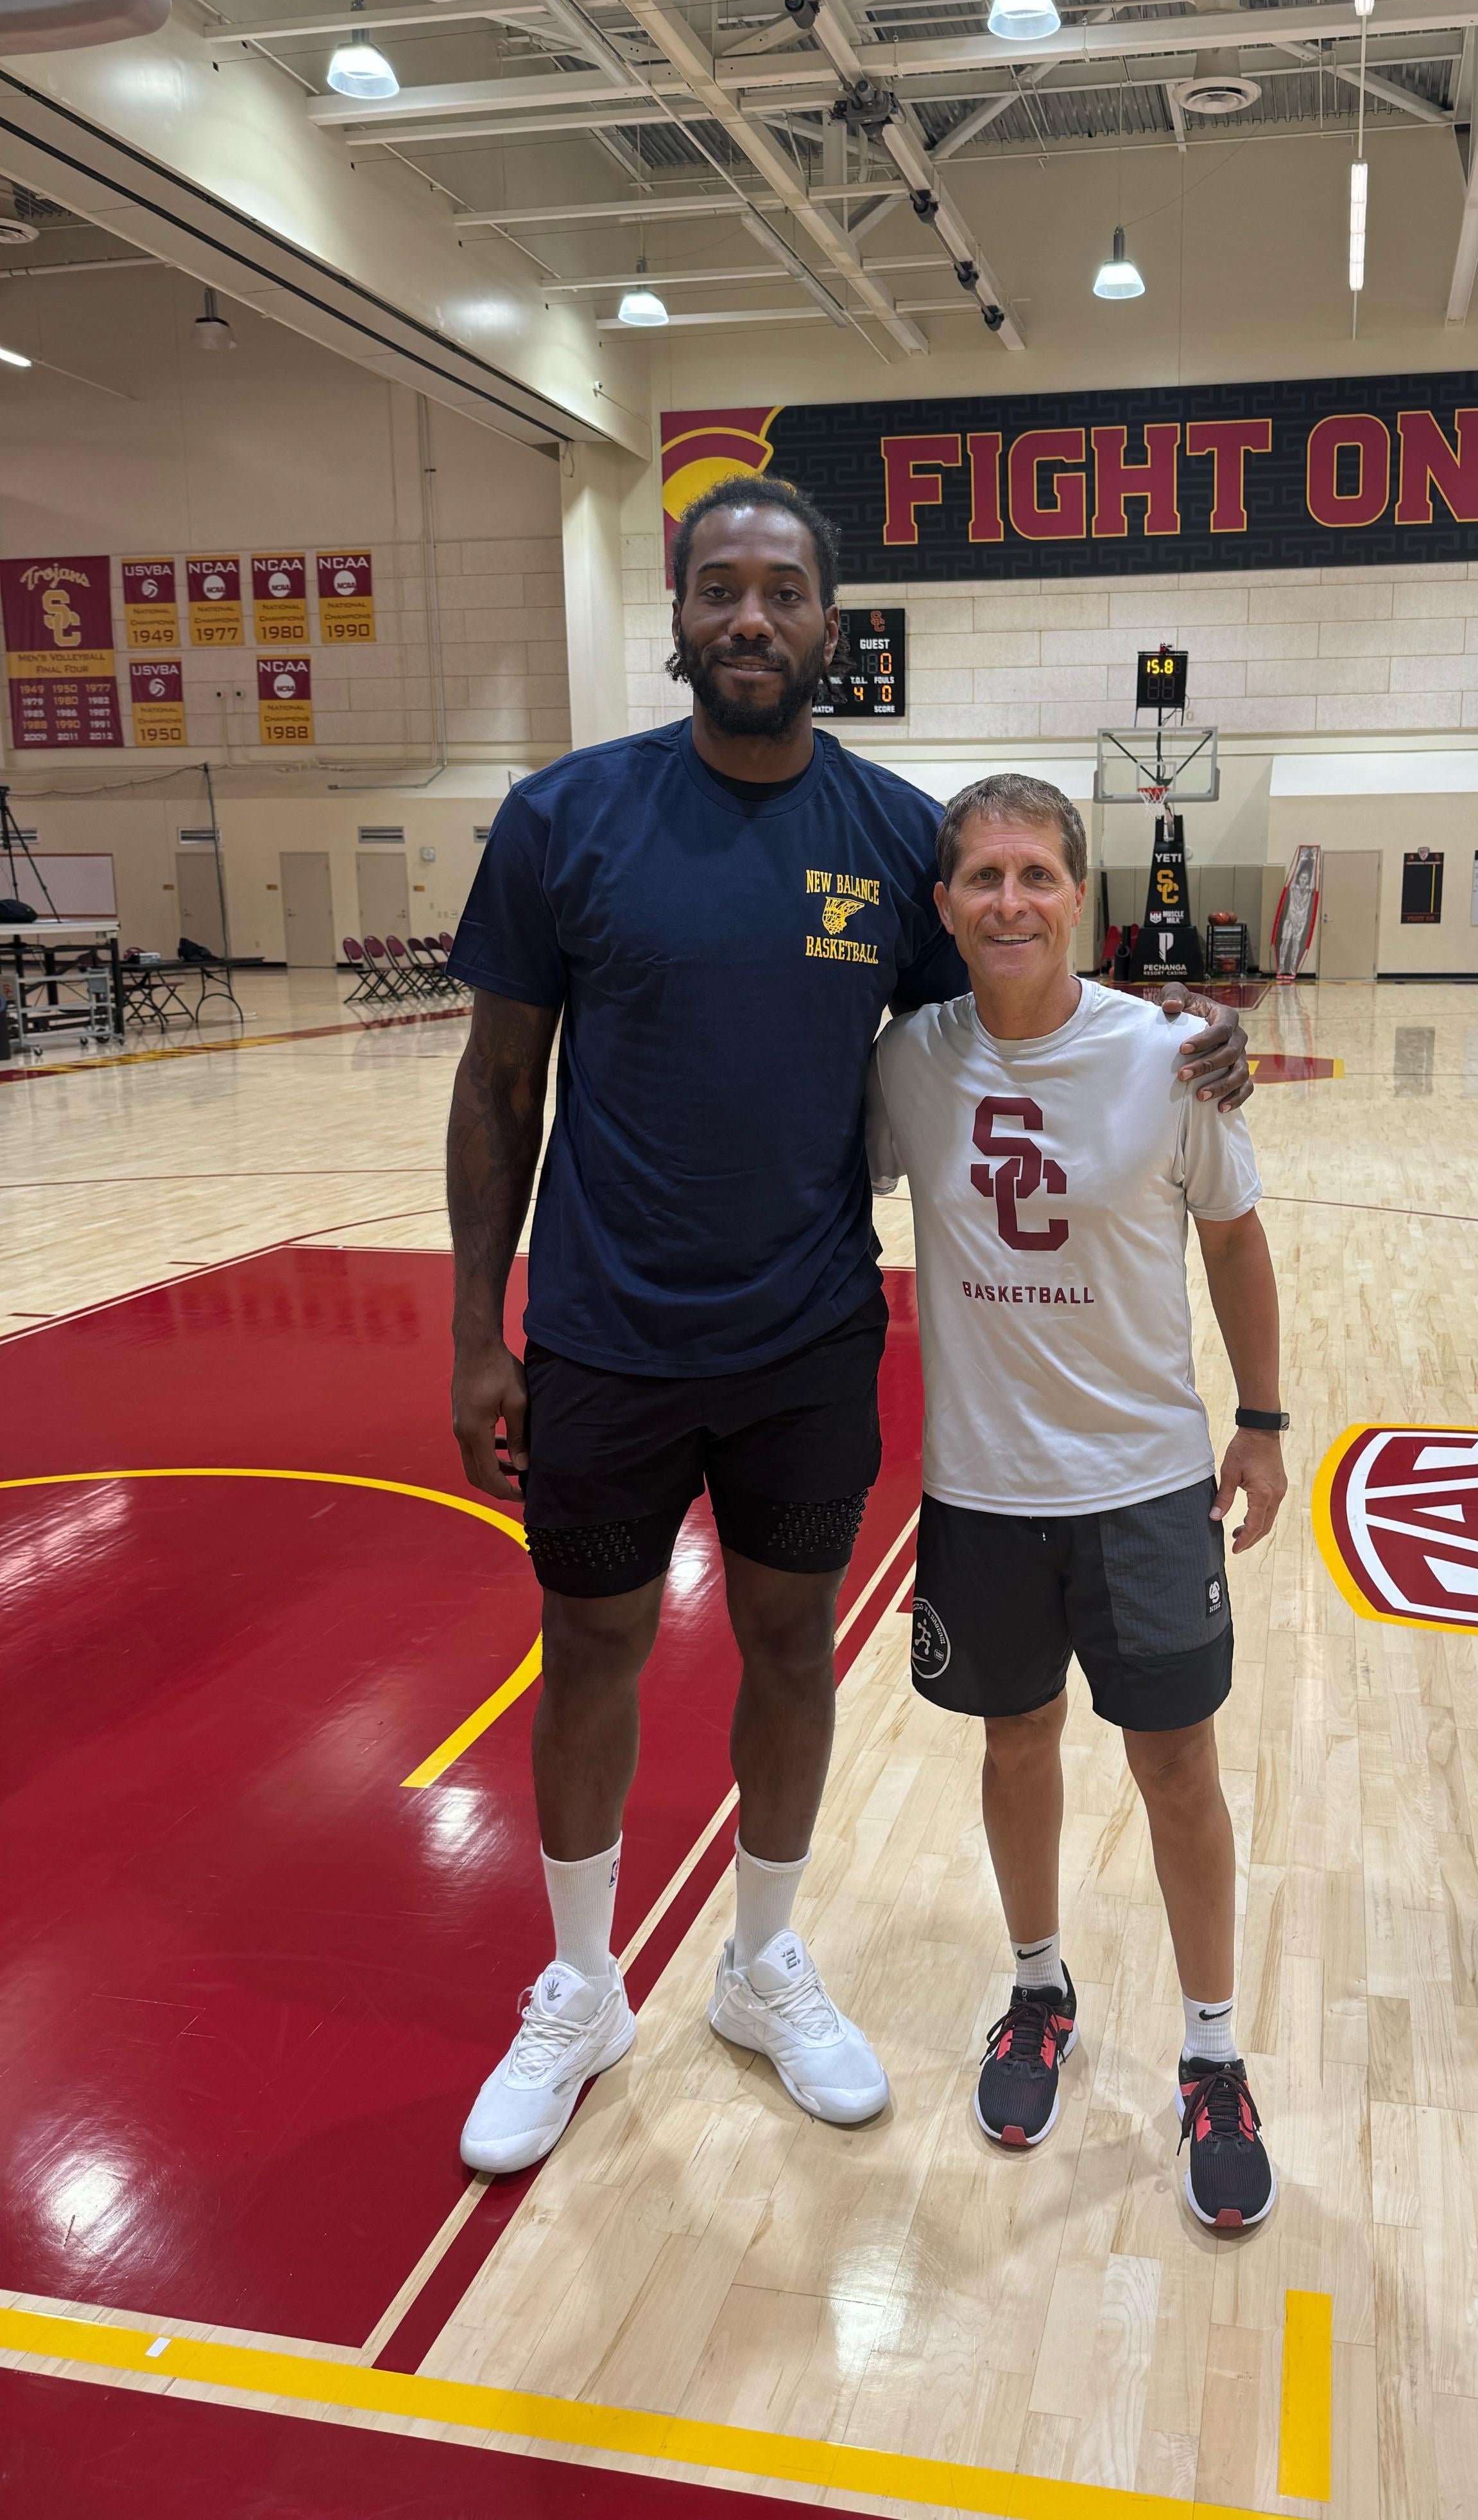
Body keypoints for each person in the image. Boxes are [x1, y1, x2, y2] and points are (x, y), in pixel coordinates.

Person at [442, 478, 1254, 2173]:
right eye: (719, 589)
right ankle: (581, 1986)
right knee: (590, 1648)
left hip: (807, 1336)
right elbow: (500, 1078)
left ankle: (760, 1962)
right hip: (601, 1329)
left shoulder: (894, 836)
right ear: (679, 613)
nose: (751, 617)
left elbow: (1017, 1012)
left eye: (784, 591)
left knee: (792, 1645)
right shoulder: (562, 817)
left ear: (833, 623)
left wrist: (1175, 1027)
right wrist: (475, 1325)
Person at [865, 773, 1287, 2229]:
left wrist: (1264, 1424)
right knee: (1017, 1738)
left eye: (1036, 874)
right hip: (982, 1489)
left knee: (1178, 1767)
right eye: (983, 877)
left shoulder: (1170, 1058)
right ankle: (1039, 1988)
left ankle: (1213, 2053)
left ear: (1078, 896)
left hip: (1145, 1487)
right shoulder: (908, 1061)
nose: (1010, 901)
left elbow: (1235, 1242)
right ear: (943, 904)